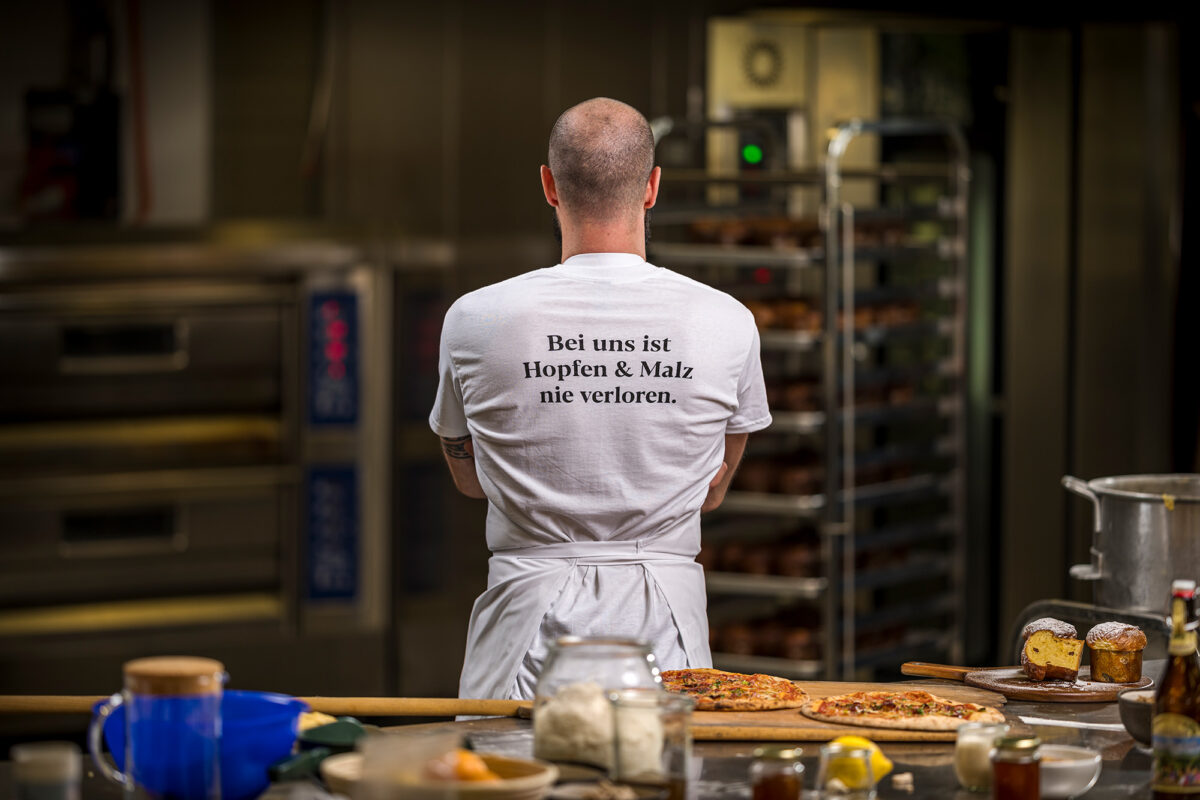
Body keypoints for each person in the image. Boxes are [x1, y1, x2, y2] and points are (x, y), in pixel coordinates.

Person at [429, 97, 771, 700]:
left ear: (548, 186)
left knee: (510, 790)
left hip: (524, 626)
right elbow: (714, 487)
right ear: (653, 187)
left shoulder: (474, 318)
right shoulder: (728, 319)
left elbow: (468, 478)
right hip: (666, 631)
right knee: (656, 783)